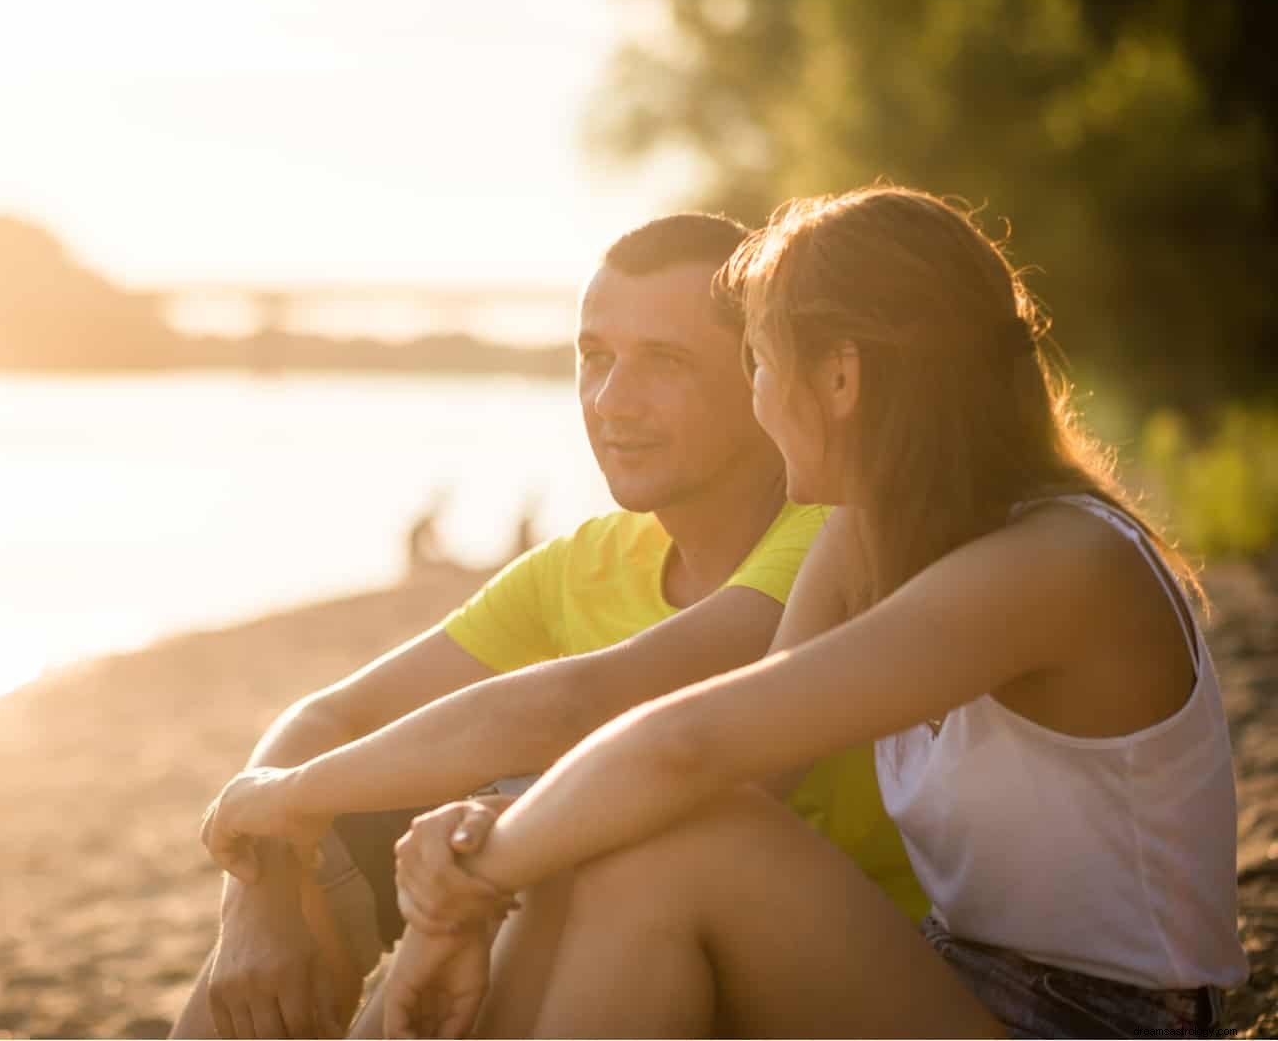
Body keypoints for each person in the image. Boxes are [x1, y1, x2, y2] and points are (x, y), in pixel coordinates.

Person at [383, 185, 1249, 1039]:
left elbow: (691, 749)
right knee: (629, 841)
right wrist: (502, 840)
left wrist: (473, 882)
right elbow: (736, 775)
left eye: (758, 362)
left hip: (1100, 1023)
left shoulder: (1061, 564)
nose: (757, 400)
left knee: (687, 837)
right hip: (952, 981)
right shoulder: (862, 537)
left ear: (839, 377)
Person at [175, 213, 925, 1040]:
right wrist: (258, 892)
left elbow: (575, 703)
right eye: (594, 358)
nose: (612, 402)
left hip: (825, 983)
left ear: (762, 376)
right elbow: (331, 718)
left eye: (665, 363)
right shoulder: (583, 564)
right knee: (339, 849)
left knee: (522, 822)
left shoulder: (828, 535)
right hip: (621, 964)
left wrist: (280, 800)